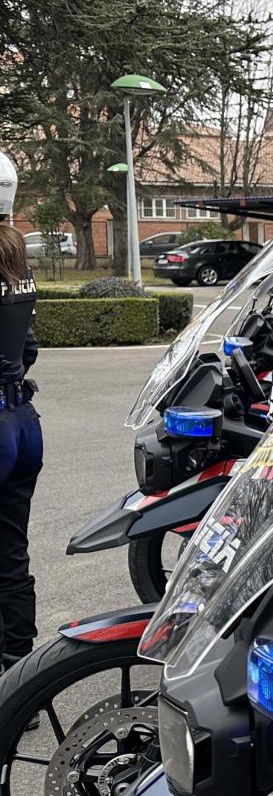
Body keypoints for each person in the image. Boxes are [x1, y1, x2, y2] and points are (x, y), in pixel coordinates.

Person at [0, 224, 40, 671]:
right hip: (23, 422)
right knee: (11, 551)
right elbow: (28, 348)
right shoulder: (16, 264)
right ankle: (17, 673)